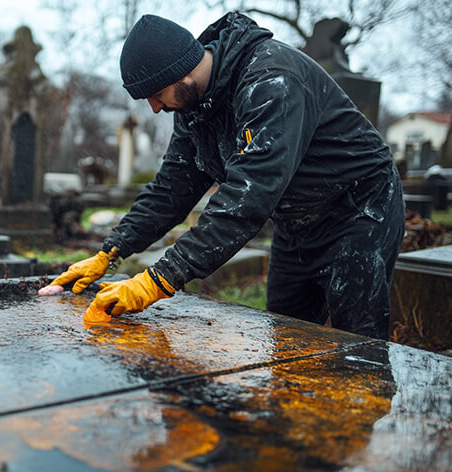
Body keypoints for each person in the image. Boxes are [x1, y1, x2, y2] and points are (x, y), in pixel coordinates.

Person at [50, 12, 404, 339]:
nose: (155, 108)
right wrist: (111, 250)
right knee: (288, 335)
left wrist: (159, 279)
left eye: (156, 95)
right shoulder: (194, 107)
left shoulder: (271, 82)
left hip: (357, 211)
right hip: (296, 221)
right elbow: (171, 189)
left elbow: (246, 198)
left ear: (183, 73)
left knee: (357, 344)